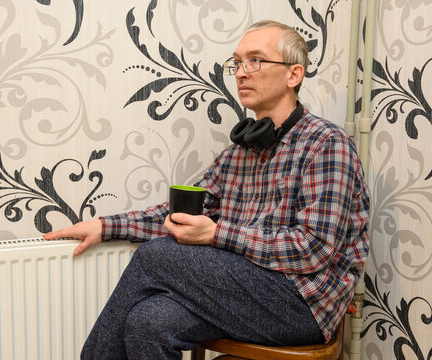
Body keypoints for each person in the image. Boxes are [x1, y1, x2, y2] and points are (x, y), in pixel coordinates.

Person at [44, 19, 370, 360]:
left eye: (256, 60)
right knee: (147, 322)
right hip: (246, 290)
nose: (242, 72)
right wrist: (105, 226)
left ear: (293, 75)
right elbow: (182, 215)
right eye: (237, 62)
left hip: (303, 304)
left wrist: (217, 235)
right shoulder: (238, 153)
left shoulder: (327, 144)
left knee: (156, 256)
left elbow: (313, 249)